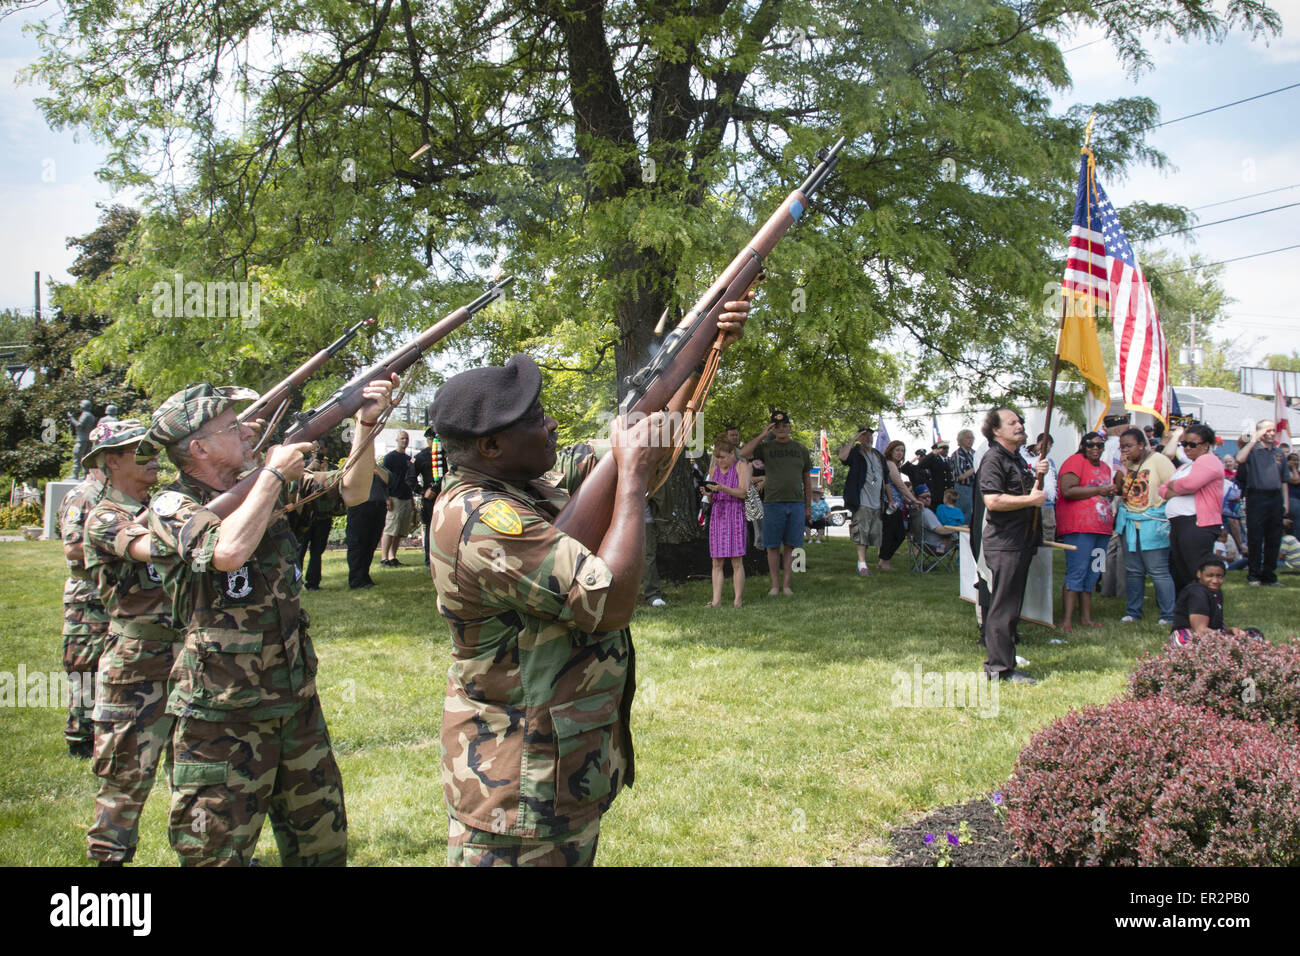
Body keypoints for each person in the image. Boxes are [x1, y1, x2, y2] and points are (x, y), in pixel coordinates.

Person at [426, 299, 748, 867]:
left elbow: (655, 435)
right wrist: (631, 488)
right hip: (517, 788)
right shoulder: (481, 519)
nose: (550, 423)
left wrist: (698, 352)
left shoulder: (529, 480)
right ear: (490, 447)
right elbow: (613, 600)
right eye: (533, 419)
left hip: (558, 768)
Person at [141, 377, 395, 865]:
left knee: (323, 848)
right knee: (216, 854)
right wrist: (273, 477)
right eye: (231, 427)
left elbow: (353, 491)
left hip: (295, 700)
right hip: (222, 715)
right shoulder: (173, 506)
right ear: (198, 448)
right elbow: (226, 551)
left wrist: (364, 423)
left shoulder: (260, 484)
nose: (246, 431)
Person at [80, 419, 179, 865]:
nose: (151, 457)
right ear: (111, 461)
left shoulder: (166, 503)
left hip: (187, 659)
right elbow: (155, 548)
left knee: (199, 771)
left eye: (152, 449)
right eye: (138, 451)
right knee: (125, 775)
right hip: (135, 666)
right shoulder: (103, 517)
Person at [971, 407, 1047, 684]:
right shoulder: (993, 459)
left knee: (1012, 607)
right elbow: (993, 500)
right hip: (1004, 544)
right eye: (1012, 422)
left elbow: (1024, 492)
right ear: (996, 430)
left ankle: (1006, 662)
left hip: (1021, 540)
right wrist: (1030, 500)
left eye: (1020, 421)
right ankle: (999, 670)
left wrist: (1037, 473)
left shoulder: (1015, 459)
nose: (1019, 425)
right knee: (1002, 608)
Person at [57, 450, 108, 758]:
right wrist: (118, 545)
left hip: (109, 590)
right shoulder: (83, 495)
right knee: (83, 666)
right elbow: (73, 547)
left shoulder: (114, 494)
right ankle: (80, 737)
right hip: (87, 593)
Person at [739, 411, 812, 596]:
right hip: (772, 503)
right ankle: (774, 585)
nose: (781, 429)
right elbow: (743, 453)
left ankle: (786, 585)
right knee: (772, 546)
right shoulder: (766, 447)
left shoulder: (801, 449)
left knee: (790, 545)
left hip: (796, 503)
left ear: (789, 427)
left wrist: (808, 506)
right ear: (773, 428)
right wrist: (763, 435)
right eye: (776, 426)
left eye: (784, 426)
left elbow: (807, 480)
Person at [1056, 431, 1117, 632]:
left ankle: (1086, 618)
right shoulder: (1074, 462)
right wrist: (1099, 490)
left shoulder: (1106, 467)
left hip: (1102, 528)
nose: (1095, 449)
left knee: (1094, 572)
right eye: (1091, 445)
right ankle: (1066, 620)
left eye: (1100, 445)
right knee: (1077, 570)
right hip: (1079, 526)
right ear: (1083, 445)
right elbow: (1067, 490)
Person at [1114, 427, 1176, 625]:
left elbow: (1174, 486)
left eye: (1129, 446)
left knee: (1158, 571)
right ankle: (1133, 611)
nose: (1125, 450)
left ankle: (1168, 614)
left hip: (1153, 523)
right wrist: (1122, 468)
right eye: (1122, 447)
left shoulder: (1159, 461)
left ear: (1142, 444)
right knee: (1133, 571)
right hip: (1130, 523)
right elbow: (1119, 489)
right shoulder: (1127, 463)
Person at [1159, 423, 1226, 595]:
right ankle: (1188, 612)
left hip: (1197, 524)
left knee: (1198, 571)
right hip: (1180, 524)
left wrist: (1174, 485)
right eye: (1184, 444)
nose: (1187, 448)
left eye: (1192, 444)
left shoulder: (1208, 460)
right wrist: (1177, 488)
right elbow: (1162, 490)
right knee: (1182, 571)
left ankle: (1208, 610)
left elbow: (1190, 484)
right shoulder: (1186, 466)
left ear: (1205, 445)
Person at [1234, 420, 1289, 587]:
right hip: (1257, 496)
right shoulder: (1253, 450)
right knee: (1255, 537)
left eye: (1273, 431)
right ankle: (1254, 575)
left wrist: (1285, 502)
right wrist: (1254, 439)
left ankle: (1269, 575)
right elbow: (1239, 458)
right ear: (1260, 432)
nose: (1271, 434)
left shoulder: (1279, 453)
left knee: (1274, 538)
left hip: (1275, 498)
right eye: (1268, 430)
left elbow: (1284, 480)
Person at [1169, 555, 1258, 646]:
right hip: (1188, 640)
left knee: (1253, 633)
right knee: (1249, 641)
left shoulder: (1215, 592)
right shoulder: (1197, 593)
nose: (1215, 581)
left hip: (1208, 636)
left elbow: (1216, 627)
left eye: (1219, 576)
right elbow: (1201, 630)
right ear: (1199, 574)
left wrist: (1231, 631)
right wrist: (1229, 640)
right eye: (1210, 576)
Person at [705, 437, 750, 607]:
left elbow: (743, 493)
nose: (720, 461)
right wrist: (708, 493)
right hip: (718, 516)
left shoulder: (741, 466)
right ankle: (716, 600)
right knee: (716, 561)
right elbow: (710, 500)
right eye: (717, 457)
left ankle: (737, 600)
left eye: (723, 457)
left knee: (736, 560)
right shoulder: (713, 470)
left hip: (735, 514)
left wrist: (723, 488)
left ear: (732, 454)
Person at [838, 425, 885, 576]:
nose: (868, 438)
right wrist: (854, 439)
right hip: (861, 501)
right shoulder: (855, 453)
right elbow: (842, 457)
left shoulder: (878, 455)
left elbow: (886, 479)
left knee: (872, 534)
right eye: (864, 435)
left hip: (877, 502)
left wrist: (889, 499)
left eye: (870, 435)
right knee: (861, 533)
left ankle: (863, 562)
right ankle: (862, 564)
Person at [344, 461, 387, 589]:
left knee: (370, 543)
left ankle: (364, 576)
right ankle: (356, 580)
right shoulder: (352, 465)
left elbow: (388, 479)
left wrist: (375, 466)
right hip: (359, 507)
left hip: (377, 507)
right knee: (357, 543)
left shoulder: (378, 467)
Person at [880, 440, 921, 571]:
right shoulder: (890, 464)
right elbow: (900, 485)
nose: (900, 453)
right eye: (897, 450)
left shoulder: (894, 465)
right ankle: (884, 561)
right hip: (890, 504)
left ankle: (884, 560)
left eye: (902, 450)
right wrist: (914, 500)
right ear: (890, 451)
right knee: (894, 533)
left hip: (897, 504)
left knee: (896, 533)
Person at [411, 426, 446, 566]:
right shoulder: (421, 457)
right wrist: (422, 491)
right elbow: (410, 479)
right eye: (433, 439)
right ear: (429, 440)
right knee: (431, 528)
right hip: (430, 499)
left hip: (446, 497)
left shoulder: (447, 455)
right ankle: (429, 560)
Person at [379, 430, 414, 566]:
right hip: (394, 498)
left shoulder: (408, 459)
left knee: (399, 531)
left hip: (406, 498)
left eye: (406, 439)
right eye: (402, 438)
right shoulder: (389, 458)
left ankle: (392, 557)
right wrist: (386, 498)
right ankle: (384, 558)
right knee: (390, 529)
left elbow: (410, 480)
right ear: (397, 440)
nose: (404, 441)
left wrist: (411, 499)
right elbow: (383, 479)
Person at [1021, 433, 1058, 541]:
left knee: (1048, 531)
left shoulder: (1050, 462)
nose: (1046, 448)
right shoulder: (1025, 457)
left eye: (1049, 446)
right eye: (1043, 444)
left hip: (1047, 504)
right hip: (1031, 501)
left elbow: (1054, 485)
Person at [916, 487, 958, 554]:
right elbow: (941, 530)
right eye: (924, 497)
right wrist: (957, 528)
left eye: (929, 496)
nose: (927, 499)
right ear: (917, 498)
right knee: (962, 540)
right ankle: (967, 563)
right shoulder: (926, 513)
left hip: (924, 547)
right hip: (937, 548)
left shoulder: (915, 513)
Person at [950, 429, 978, 525]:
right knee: (965, 514)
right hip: (963, 488)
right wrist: (976, 467)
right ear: (961, 440)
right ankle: (962, 537)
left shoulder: (975, 453)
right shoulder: (957, 455)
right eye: (967, 438)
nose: (970, 440)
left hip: (975, 487)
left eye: (972, 438)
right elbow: (961, 476)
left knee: (975, 513)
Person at [919, 441, 953, 511]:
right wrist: (932, 454)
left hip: (948, 495)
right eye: (943, 448)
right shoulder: (933, 459)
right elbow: (921, 465)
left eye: (947, 448)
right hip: (937, 494)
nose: (946, 450)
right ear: (938, 449)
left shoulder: (949, 460)